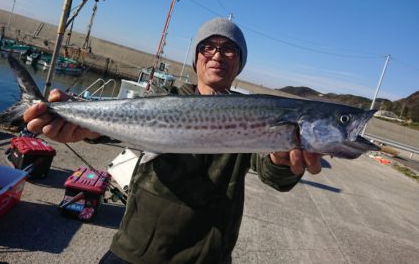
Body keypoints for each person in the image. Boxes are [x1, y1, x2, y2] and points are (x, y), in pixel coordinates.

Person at [24, 17, 322, 264]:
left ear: (240, 62)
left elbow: (273, 173)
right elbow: (116, 125)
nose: (217, 54)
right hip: (138, 248)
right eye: (208, 47)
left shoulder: (252, 113)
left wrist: (281, 161)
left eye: (229, 49)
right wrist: (84, 126)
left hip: (208, 256)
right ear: (196, 57)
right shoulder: (166, 99)